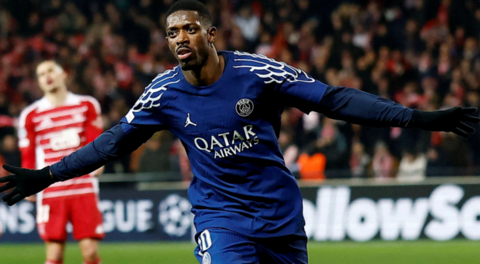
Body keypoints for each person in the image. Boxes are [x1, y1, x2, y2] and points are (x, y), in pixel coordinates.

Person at [1, 1, 479, 263]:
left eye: (189, 29)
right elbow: (112, 142)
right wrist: (46, 176)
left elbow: (334, 100)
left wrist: (416, 117)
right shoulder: (163, 92)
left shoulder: (258, 73)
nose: (179, 38)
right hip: (221, 218)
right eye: (171, 33)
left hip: (281, 216)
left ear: (210, 34)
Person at [16, 60, 105, 264]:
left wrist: (100, 161)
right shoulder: (30, 115)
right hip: (51, 189)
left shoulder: (87, 104)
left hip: (83, 187)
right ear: (38, 82)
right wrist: (28, 182)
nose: (46, 76)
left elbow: (97, 143)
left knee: (90, 252)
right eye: (40, 74)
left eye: (50, 71)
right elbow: (28, 155)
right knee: (54, 255)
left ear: (63, 74)